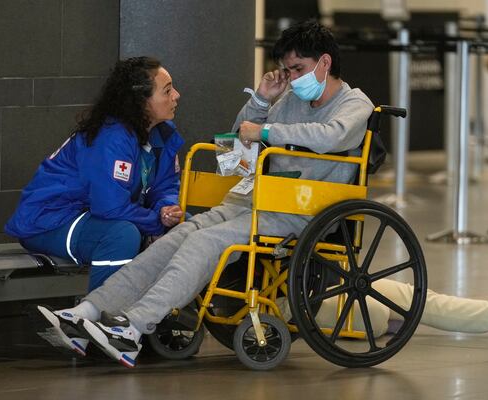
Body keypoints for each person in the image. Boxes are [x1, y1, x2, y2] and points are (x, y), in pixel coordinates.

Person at [32, 20, 375, 367]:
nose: (292, 78)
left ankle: (133, 327)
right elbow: (239, 139)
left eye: (298, 69)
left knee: (204, 243)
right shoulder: (288, 101)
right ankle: (87, 311)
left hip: (297, 210)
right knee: (178, 236)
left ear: (325, 63)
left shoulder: (355, 104)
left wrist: (266, 130)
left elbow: (330, 136)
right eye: (287, 70)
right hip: (253, 198)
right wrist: (260, 100)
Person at [5, 57, 184, 292]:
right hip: (49, 221)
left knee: (187, 227)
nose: (176, 95)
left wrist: (166, 208)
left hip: (96, 216)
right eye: (167, 91)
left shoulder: (163, 135)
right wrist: (155, 224)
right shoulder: (111, 137)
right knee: (121, 235)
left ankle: (160, 313)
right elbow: (109, 206)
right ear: (141, 101)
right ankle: (101, 316)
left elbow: (166, 185)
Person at [276, 276, 488, 339]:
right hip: (283, 306)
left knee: (409, 296)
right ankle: (390, 324)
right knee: (378, 313)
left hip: (308, 283)